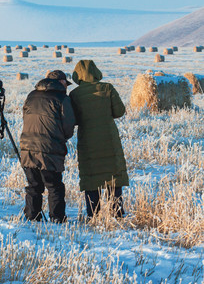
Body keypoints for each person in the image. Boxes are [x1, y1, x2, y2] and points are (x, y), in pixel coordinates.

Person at [69, 60, 128, 218]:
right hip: (109, 139)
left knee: (91, 176)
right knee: (113, 175)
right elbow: (120, 111)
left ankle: (92, 215)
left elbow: (73, 119)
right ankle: (116, 213)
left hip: (87, 140)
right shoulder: (107, 88)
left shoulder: (74, 94)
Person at [20, 70, 76, 223]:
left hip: (27, 147)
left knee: (33, 185)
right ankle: (57, 219)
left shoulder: (31, 96)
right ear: (60, 82)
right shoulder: (62, 98)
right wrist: (60, 137)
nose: (67, 86)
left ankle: (32, 217)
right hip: (50, 149)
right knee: (54, 186)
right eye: (66, 83)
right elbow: (69, 126)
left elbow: (25, 117)